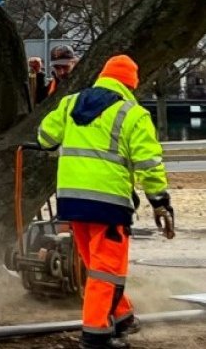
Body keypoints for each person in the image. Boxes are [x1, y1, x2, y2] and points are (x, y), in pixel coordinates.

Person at [37, 54, 172, 349]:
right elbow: (148, 163)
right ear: (130, 84)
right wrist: (160, 200)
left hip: (72, 200)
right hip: (109, 204)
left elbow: (45, 136)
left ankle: (123, 317)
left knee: (96, 267)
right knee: (107, 271)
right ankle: (95, 336)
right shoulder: (132, 113)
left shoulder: (71, 103)